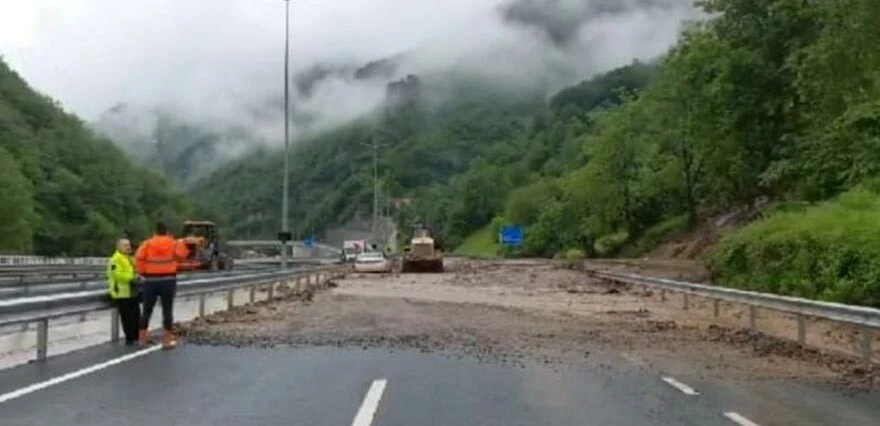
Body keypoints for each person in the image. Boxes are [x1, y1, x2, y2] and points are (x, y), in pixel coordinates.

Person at [135, 221, 190, 349]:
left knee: (147, 310)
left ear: (155, 232)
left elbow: (138, 258)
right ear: (167, 232)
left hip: (150, 281)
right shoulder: (173, 243)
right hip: (168, 280)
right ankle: (167, 340)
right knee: (167, 310)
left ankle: (142, 339)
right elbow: (182, 256)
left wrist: (143, 272)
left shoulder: (147, 243)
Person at [107, 238, 140, 345]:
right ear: (119, 247)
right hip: (121, 293)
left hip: (132, 291)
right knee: (127, 318)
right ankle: (130, 339)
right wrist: (133, 278)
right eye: (125, 245)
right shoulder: (116, 259)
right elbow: (117, 274)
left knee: (136, 315)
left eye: (129, 245)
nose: (128, 247)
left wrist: (137, 276)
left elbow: (135, 270)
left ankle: (136, 336)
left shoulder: (129, 258)